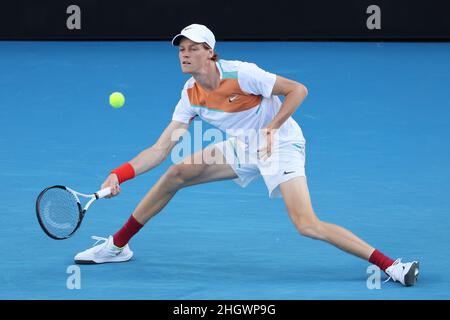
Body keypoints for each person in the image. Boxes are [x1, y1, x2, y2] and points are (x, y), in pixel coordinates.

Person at [74, 24, 419, 286]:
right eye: (181, 49)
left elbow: (298, 90)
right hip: (244, 147)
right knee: (176, 173)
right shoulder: (190, 94)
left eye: (193, 48)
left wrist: (272, 128)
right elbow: (160, 148)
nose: (184, 54)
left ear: (210, 53)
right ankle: (117, 246)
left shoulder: (243, 74)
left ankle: (392, 265)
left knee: (306, 225)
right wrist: (118, 174)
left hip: (281, 144)